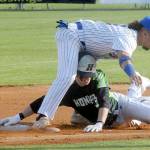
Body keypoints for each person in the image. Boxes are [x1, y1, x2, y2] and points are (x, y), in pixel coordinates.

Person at [34, 16, 150, 129]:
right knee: (68, 77)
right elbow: (124, 59)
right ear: (145, 32)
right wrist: (132, 73)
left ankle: (78, 113)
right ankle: (43, 117)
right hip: (72, 36)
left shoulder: (127, 33)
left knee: (83, 73)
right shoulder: (130, 37)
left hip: (79, 39)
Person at [1, 54, 150, 132]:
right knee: (136, 119)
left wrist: (99, 123)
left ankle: (139, 85)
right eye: (82, 75)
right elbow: (44, 101)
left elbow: (104, 100)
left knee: (143, 111)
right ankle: (138, 85)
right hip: (117, 123)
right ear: (75, 73)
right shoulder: (68, 87)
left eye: (88, 76)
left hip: (122, 106)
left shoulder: (98, 77)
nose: (86, 79)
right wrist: (18, 116)